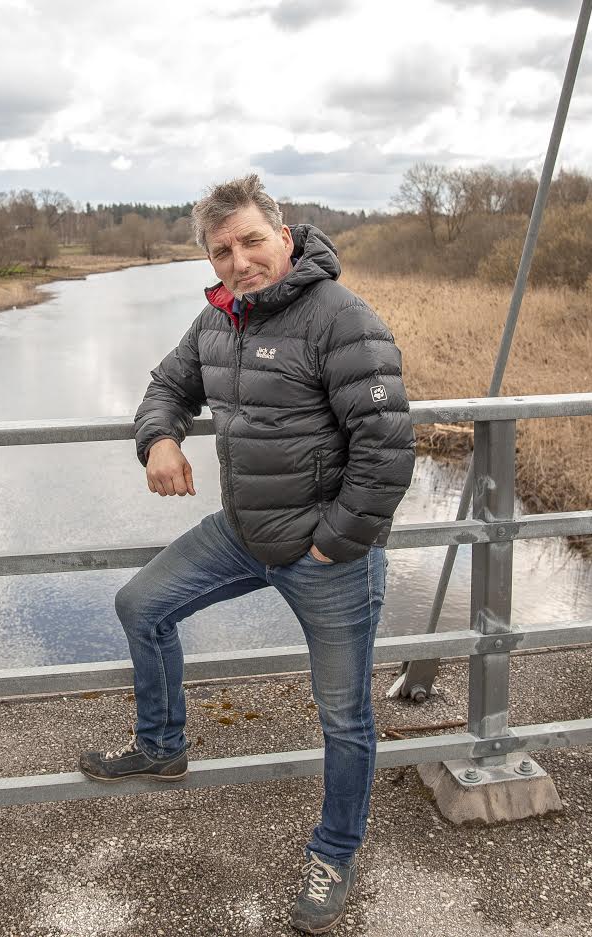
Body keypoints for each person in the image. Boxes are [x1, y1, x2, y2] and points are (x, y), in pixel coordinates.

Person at [78, 174, 416, 933]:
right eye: (221, 248)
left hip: (326, 555)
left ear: (284, 236)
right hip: (242, 533)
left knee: (343, 716)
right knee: (141, 604)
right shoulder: (218, 320)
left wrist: (335, 542)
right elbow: (166, 384)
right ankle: (161, 744)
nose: (238, 260)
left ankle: (334, 852)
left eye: (251, 241)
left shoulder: (341, 319)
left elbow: (387, 450)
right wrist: (159, 438)